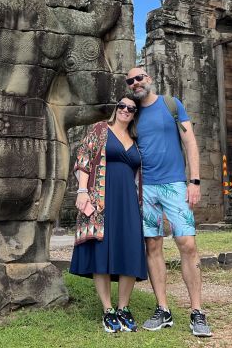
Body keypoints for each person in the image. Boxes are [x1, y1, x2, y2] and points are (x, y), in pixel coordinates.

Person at [127, 67, 213, 338]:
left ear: (149, 80)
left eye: (139, 78)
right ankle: (163, 309)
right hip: (147, 188)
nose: (135, 83)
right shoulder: (133, 115)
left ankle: (197, 311)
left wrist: (195, 181)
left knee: (187, 244)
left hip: (175, 184)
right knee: (152, 245)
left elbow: (190, 142)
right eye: (130, 81)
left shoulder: (171, 104)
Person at [70, 97, 147, 333]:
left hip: (129, 202)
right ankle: (108, 309)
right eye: (122, 106)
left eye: (131, 109)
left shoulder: (136, 140)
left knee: (131, 249)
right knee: (101, 251)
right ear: (116, 109)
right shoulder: (101, 129)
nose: (125, 110)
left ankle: (123, 307)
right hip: (100, 197)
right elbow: (84, 158)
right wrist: (82, 191)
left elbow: (139, 174)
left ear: (135, 114)